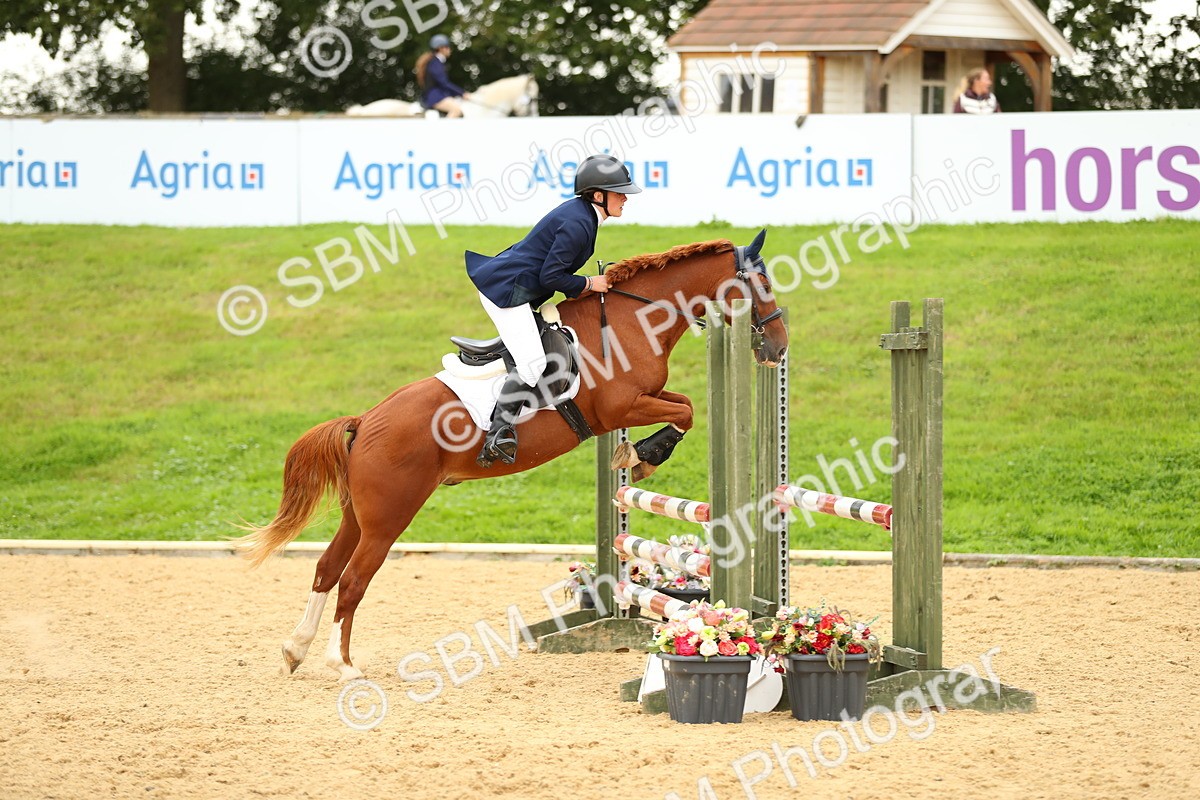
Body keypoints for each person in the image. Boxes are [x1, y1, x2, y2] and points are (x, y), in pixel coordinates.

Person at [465, 154, 642, 467]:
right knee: (532, 365)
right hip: (505, 292)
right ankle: (496, 436)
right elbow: (551, 277)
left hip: (515, 286)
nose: (625, 198)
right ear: (598, 195)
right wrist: (589, 283)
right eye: (619, 193)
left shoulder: (583, 215)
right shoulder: (578, 223)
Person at [416, 34, 471, 117]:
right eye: (447, 47)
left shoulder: (438, 62)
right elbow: (444, 83)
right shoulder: (435, 63)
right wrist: (462, 93)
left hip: (440, 95)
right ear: (440, 48)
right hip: (435, 97)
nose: (450, 50)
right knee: (456, 110)